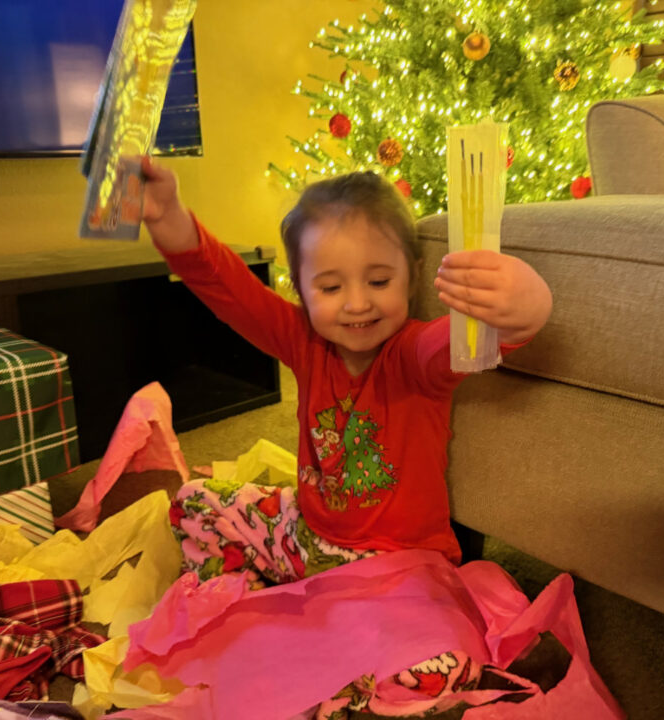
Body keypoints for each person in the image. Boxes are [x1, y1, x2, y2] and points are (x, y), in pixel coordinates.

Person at [141, 157, 553, 717]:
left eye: (379, 281)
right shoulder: (302, 340)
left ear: (411, 275)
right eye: (331, 287)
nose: (357, 303)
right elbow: (225, 285)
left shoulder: (412, 356)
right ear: (302, 290)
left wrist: (524, 308)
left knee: (436, 667)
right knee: (193, 500)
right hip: (306, 538)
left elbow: (469, 340)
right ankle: (265, 613)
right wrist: (168, 217)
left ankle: (322, 650)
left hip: (397, 573)